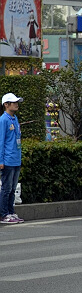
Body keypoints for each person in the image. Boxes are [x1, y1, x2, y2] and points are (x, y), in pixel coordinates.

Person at [0, 93, 24, 224]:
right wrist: (1, 161)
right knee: (6, 188)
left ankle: (11, 212)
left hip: (16, 159)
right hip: (7, 160)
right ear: (6, 104)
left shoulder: (15, 119)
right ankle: (4, 214)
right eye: (13, 102)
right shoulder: (3, 120)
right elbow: (1, 141)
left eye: (17, 102)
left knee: (13, 189)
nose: (16, 104)